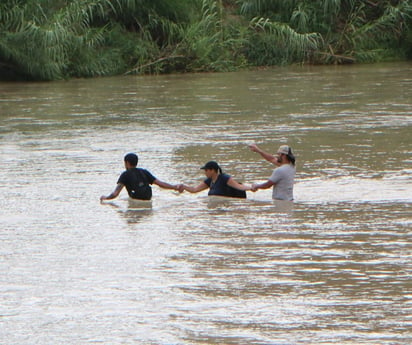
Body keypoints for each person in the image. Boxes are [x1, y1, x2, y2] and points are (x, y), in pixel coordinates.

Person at [100, 153, 183, 202]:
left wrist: (106, 198)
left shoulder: (125, 174)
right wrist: (174, 187)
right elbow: (160, 184)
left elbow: (115, 193)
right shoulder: (144, 172)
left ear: (127, 163)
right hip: (148, 198)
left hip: (136, 199)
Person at [182, 161, 252, 198]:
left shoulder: (224, 178)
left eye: (206, 170)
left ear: (212, 170)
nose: (205, 172)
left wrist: (251, 188)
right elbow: (194, 190)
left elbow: (239, 187)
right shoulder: (209, 181)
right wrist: (183, 186)